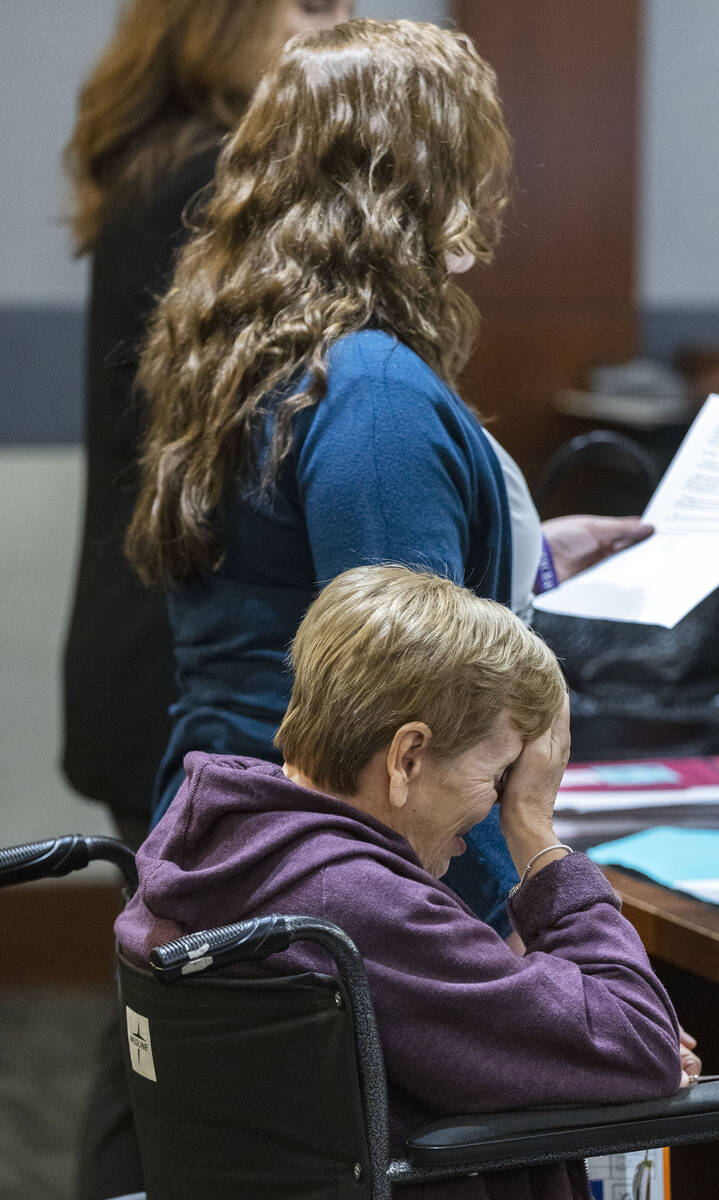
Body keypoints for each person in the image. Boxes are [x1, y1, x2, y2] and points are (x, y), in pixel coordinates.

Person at [124, 17, 650, 935]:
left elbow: (291, 588)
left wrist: (527, 554)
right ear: (424, 177)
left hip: (246, 833)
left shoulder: (252, 358)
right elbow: (420, 712)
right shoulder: (370, 389)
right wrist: (510, 935)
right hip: (354, 871)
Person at [115, 565, 696, 1200]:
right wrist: (536, 830)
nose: (493, 816)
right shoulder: (356, 901)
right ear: (407, 757)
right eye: (502, 776)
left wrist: (571, 1044)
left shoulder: (208, 835)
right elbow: (639, 1042)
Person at [63, 0, 354, 852]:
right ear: (218, 21)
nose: (342, 30)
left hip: (160, 662)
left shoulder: (164, 166)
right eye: (315, 6)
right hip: (193, 671)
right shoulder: (213, 184)